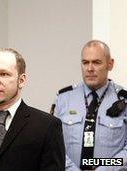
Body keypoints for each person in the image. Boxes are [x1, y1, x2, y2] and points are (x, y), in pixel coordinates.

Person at [51, 40, 127, 170]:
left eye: (96, 62)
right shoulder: (63, 98)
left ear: (110, 64)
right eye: (85, 62)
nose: (90, 68)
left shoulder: (123, 100)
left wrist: (105, 169)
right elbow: (53, 144)